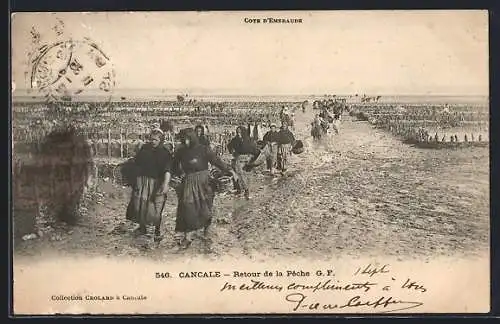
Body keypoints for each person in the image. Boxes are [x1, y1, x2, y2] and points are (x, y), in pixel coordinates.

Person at [171, 129, 237, 249]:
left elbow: (216, 161)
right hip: (189, 181)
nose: (184, 142)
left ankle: (207, 229)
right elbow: (174, 166)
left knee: (205, 206)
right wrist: (177, 175)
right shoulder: (181, 151)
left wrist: (230, 170)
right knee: (187, 206)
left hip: (204, 180)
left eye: (186, 139)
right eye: (183, 139)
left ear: (192, 138)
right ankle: (188, 236)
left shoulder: (203, 149)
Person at [126, 128, 172, 243]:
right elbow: (137, 162)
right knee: (140, 204)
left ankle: (157, 231)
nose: (153, 142)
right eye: (152, 139)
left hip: (156, 183)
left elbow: (167, 170)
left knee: (156, 208)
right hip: (142, 181)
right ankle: (142, 228)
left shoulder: (165, 153)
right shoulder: (145, 149)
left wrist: (165, 184)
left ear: (161, 140)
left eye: (156, 140)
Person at [227, 126, 259, 199]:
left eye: (240, 131)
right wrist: (233, 152)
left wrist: (253, 158)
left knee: (247, 175)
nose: (239, 133)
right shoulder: (235, 140)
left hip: (248, 158)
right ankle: (244, 189)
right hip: (239, 158)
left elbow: (254, 149)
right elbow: (229, 146)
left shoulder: (248, 139)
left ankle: (246, 189)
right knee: (240, 174)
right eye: (237, 131)